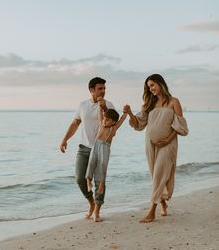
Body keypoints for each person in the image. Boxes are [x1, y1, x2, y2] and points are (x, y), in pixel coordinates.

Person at [124, 74, 188, 223]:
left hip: (169, 144)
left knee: (159, 173)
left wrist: (167, 140)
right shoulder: (149, 104)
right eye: (148, 87)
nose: (150, 89)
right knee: (156, 176)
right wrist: (130, 113)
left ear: (160, 83)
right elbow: (139, 124)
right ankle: (163, 204)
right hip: (150, 145)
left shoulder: (174, 102)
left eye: (152, 85)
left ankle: (151, 211)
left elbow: (180, 126)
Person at [60, 77, 115, 219]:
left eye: (104, 88)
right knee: (79, 178)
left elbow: (112, 124)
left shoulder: (109, 105)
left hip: (100, 148)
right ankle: (91, 202)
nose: (103, 91)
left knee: (99, 180)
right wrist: (65, 139)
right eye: (100, 89)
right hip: (84, 147)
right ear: (92, 90)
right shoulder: (82, 105)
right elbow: (75, 124)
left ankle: (97, 210)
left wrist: (103, 107)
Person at [86, 100, 127, 222]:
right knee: (91, 163)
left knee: (102, 166)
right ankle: (88, 180)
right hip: (96, 145)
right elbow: (100, 114)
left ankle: (101, 185)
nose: (104, 120)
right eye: (104, 118)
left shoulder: (114, 128)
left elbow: (121, 120)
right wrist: (99, 106)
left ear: (113, 122)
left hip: (105, 147)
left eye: (108, 120)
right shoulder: (101, 123)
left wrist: (126, 113)